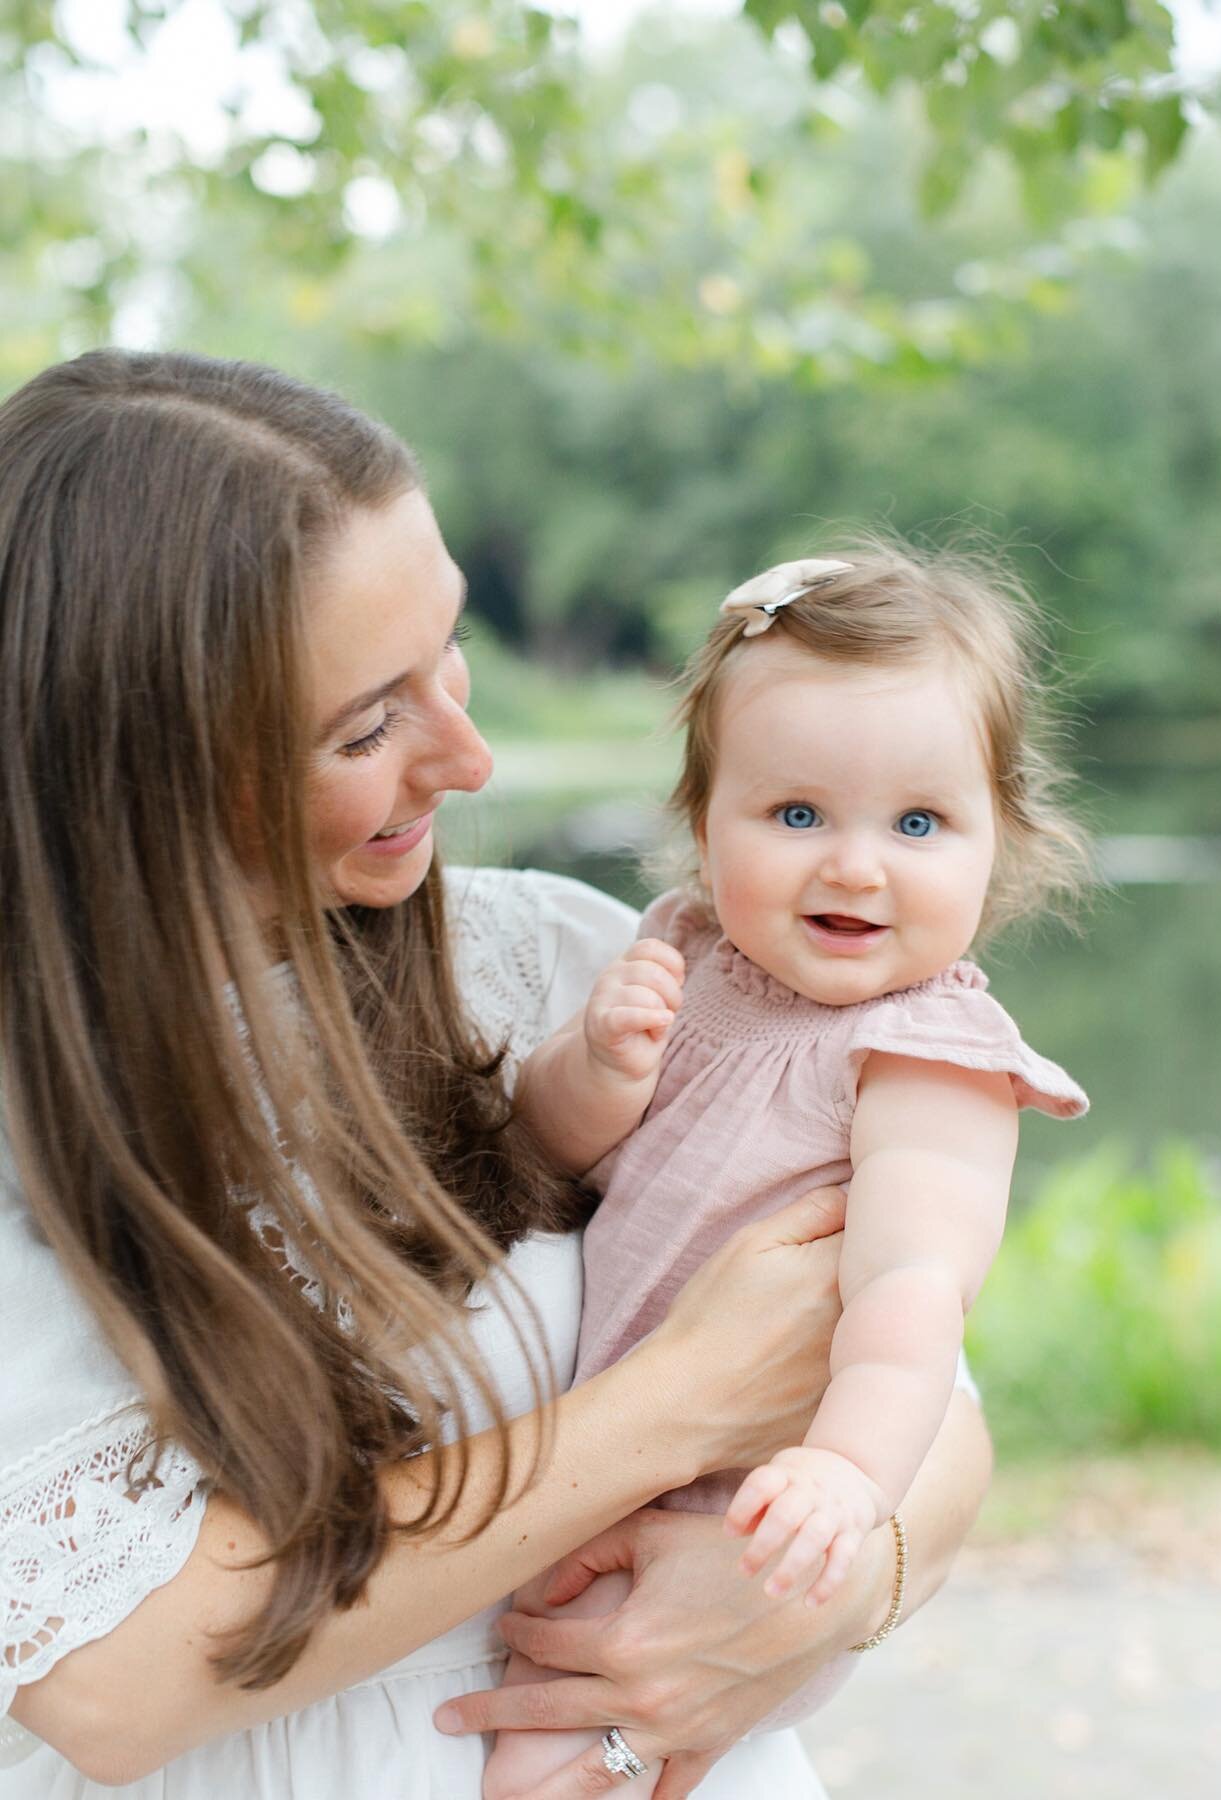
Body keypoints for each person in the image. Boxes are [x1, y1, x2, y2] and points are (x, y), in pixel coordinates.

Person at [0, 350, 993, 1798]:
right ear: (140, 771)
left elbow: (939, 1408)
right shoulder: (36, 1113)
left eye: (447, 651)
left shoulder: (573, 966)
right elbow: (106, 1679)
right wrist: (681, 1404)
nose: (466, 756)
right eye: (367, 724)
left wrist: (827, 1597)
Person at [485, 548, 1089, 1799]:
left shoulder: (927, 1057)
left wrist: (850, 1476)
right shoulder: (690, 955)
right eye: (798, 815)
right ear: (705, 823)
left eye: (918, 824)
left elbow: (913, 1292)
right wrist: (596, 1067)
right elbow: (541, 1157)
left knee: (551, 1761)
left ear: (1001, 837)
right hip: (622, 1456)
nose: (857, 866)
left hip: (755, 1515)